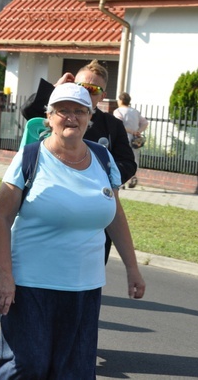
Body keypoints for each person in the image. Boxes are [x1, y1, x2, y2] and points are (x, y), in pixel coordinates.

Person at [0, 83, 146, 379]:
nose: (71, 117)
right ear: (49, 117)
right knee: (24, 368)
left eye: (79, 111)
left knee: (73, 372)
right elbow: (1, 218)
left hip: (84, 288)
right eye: (63, 111)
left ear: (89, 116)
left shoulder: (102, 158)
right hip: (31, 286)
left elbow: (115, 216)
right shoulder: (30, 158)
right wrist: (5, 275)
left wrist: (132, 268)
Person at [21, 60, 137, 261]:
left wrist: (101, 174)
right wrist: (55, 90)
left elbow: (128, 163)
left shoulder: (112, 125)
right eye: (80, 86)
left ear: (103, 95)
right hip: (55, 205)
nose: (85, 92)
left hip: (93, 211)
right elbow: (28, 111)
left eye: (93, 89)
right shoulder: (58, 115)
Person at [114, 91, 148, 188]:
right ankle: (133, 176)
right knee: (134, 158)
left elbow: (119, 124)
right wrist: (138, 131)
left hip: (123, 138)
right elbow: (145, 123)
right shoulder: (135, 112)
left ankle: (122, 181)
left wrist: (131, 131)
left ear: (120, 100)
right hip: (135, 140)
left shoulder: (118, 111)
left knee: (121, 158)